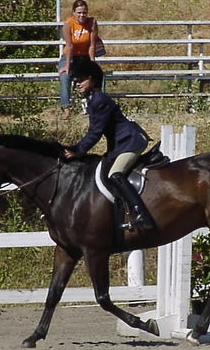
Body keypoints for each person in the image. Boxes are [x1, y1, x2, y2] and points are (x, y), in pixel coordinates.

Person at [63, 60, 156, 230]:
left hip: (131, 142)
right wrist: (76, 148)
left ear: (92, 79)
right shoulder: (93, 99)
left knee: (115, 174)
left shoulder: (99, 100)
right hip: (120, 144)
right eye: (76, 80)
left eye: (81, 80)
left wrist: (78, 151)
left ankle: (141, 214)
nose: (77, 83)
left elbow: (95, 132)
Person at [58, 0, 100, 120]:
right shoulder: (69, 24)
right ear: (74, 13)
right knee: (65, 76)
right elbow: (69, 46)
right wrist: (67, 65)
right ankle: (66, 108)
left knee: (97, 74)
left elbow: (92, 45)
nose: (82, 15)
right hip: (70, 56)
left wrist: (92, 63)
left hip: (84, 56)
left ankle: (97, 104)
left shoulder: (92, 23)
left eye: (84, 12)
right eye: (79, 13)